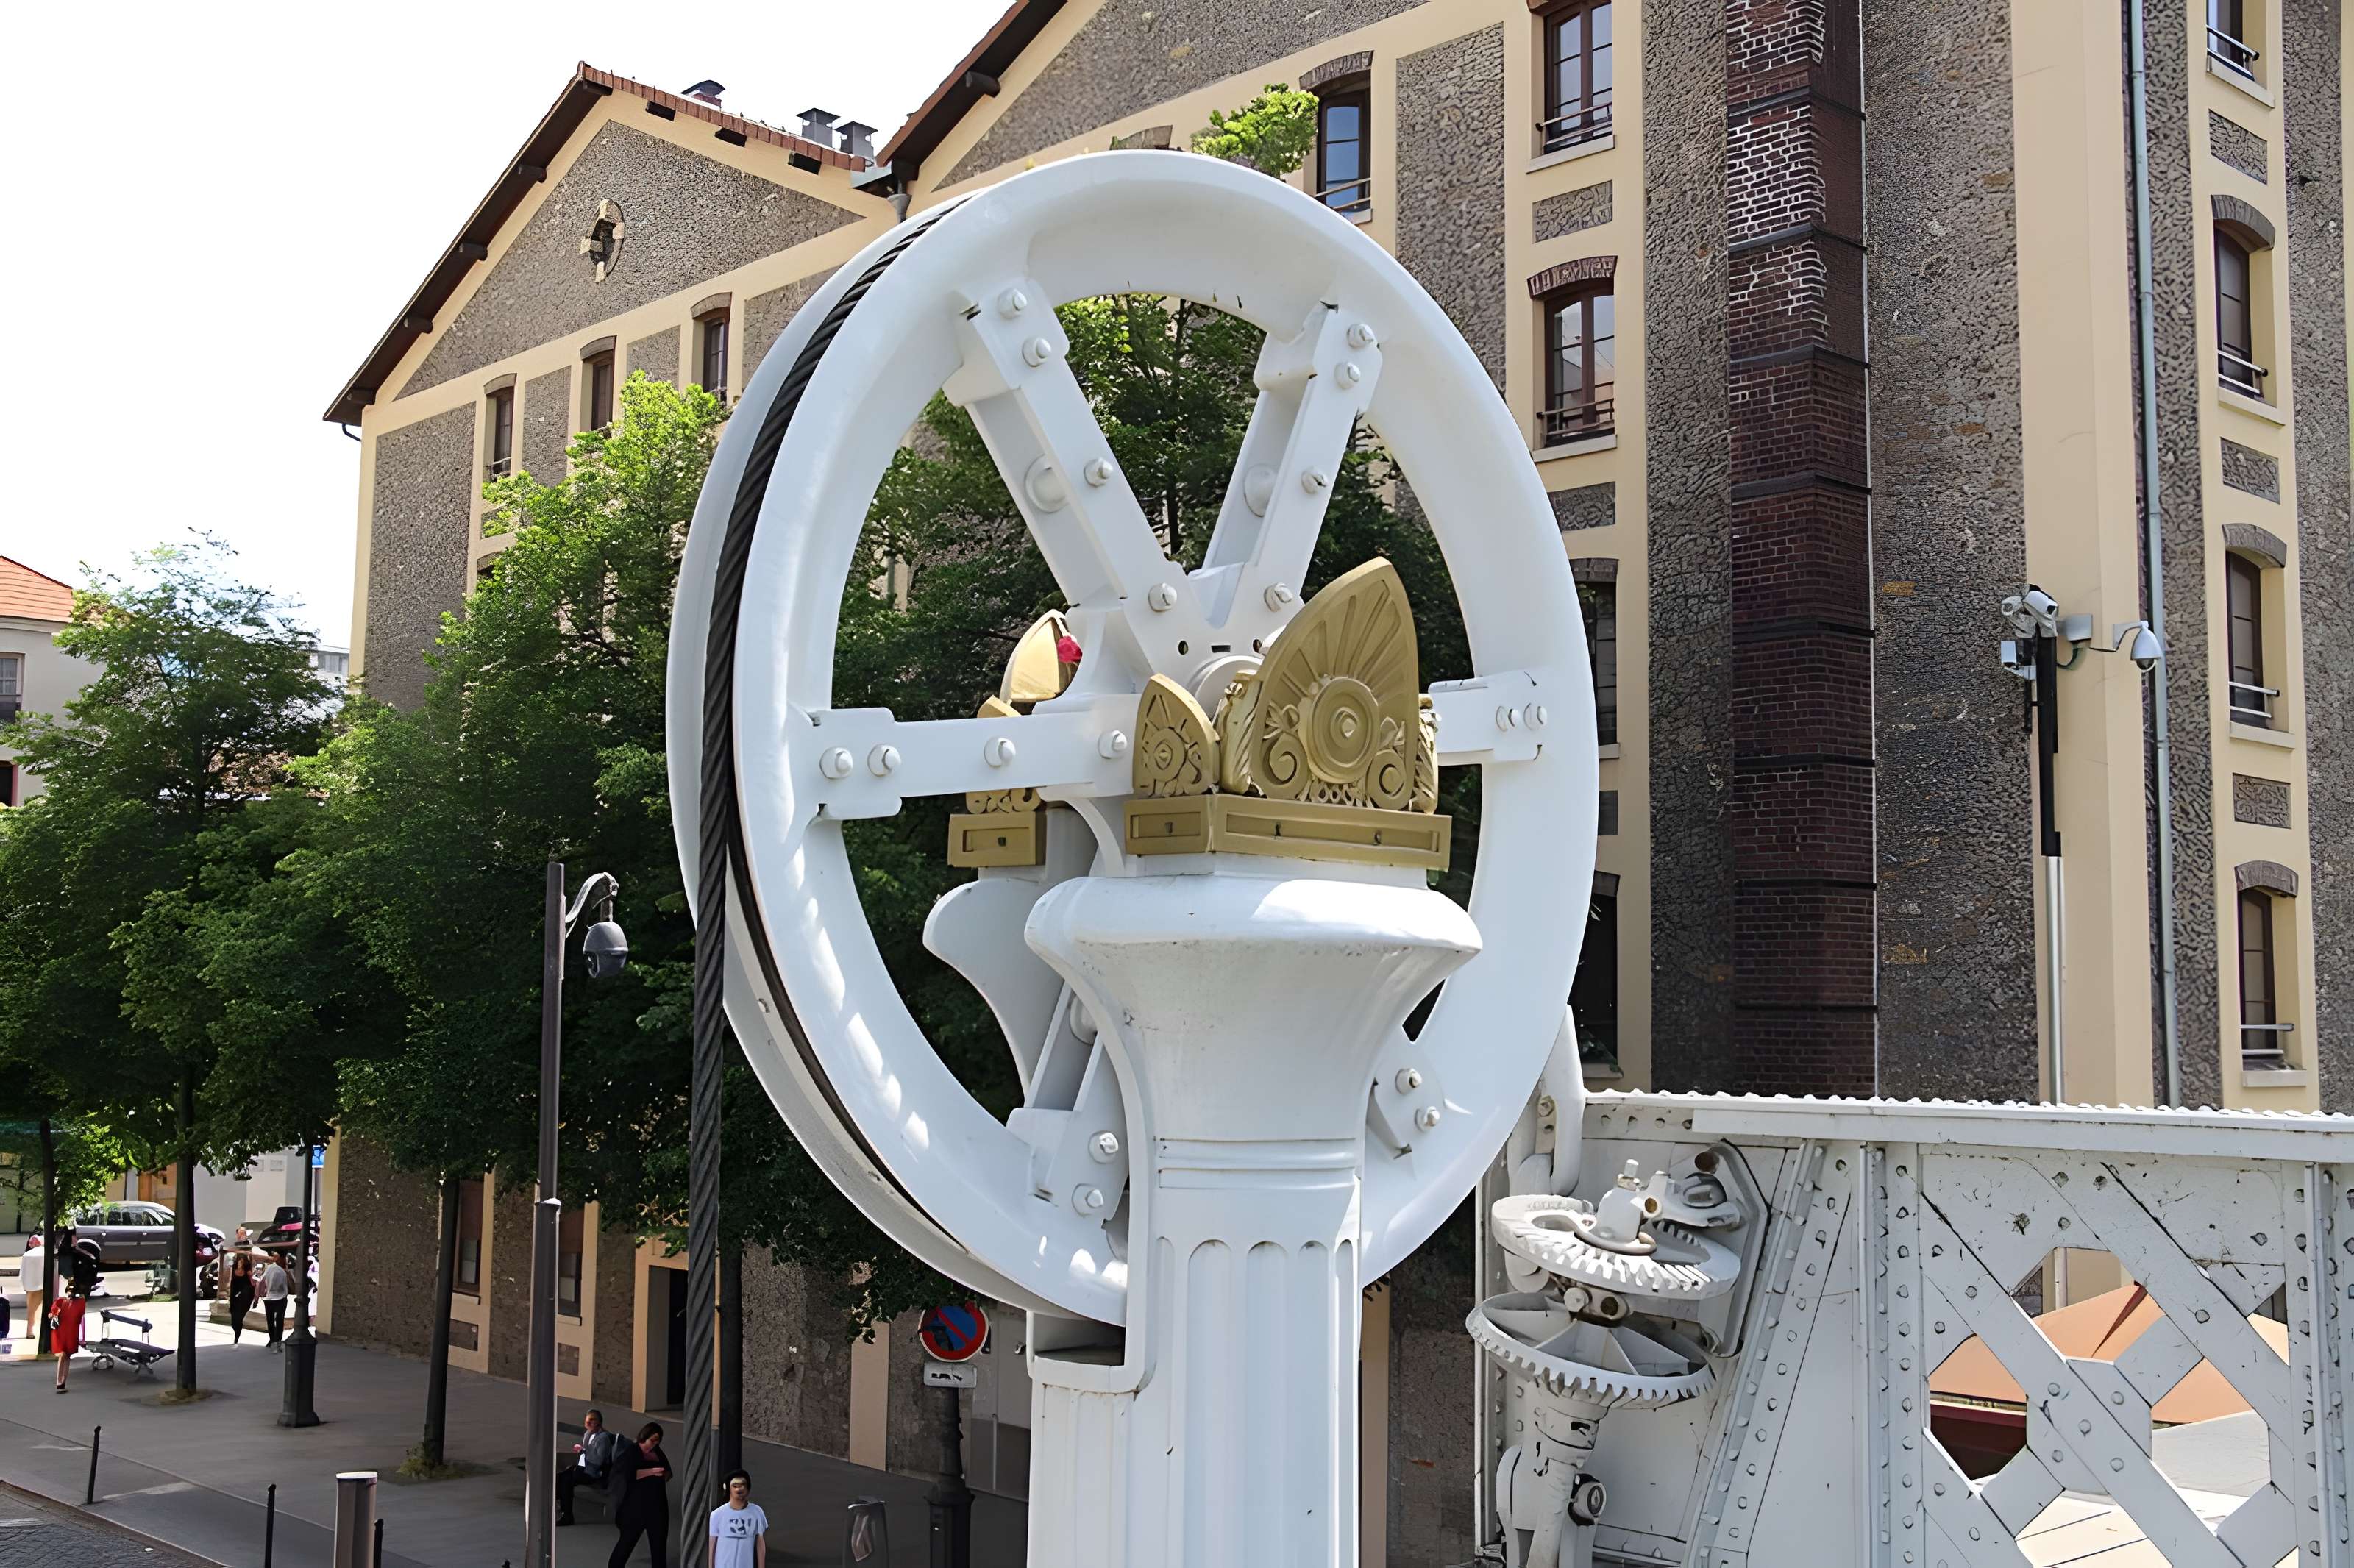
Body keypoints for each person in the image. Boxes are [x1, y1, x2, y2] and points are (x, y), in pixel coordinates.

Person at [606, 1422, 672, 1568]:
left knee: (659, 1546)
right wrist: (652, 1472)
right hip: (635, 1509)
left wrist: (664, 1474)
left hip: (657, 1507)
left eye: (658, 1441)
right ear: (644, 1437)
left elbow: (668, 1471)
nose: (654, 1444)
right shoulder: (632, 1453)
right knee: (627, 1542)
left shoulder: (657, 1453)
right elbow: (624, 1475)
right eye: (652, 1440)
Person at [558, 1407, 619, 1525]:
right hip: (584, 1467)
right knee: (561, 1476)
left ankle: (568, 1515)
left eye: (593, 1420)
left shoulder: (603, 1438)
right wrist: (581, 1454)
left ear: (599, 1422)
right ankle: (562, 1505)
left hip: (593, 1472)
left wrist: (584, 1455)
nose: (589, 1423)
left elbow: (599, 1460)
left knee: (567, 1480)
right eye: (587, 1420)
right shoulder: (588, 1434)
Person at [707, 1469, 767, 1568]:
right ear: (728, 1489)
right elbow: (712, 1545)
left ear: (748, 1488)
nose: (739, 1489)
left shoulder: (757, 1512)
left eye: (742, 1485)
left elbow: (760, 1543)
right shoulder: (717, 1515)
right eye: (735, 1486)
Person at [49, 1270, 87, 1394]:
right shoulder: (62, 1302)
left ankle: (62, 1381)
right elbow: (52, 1313)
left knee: (67, 1355)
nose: (71, 1293)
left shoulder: (77, 1303)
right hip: (65, 1332)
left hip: (69, 1331)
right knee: (63, 1355)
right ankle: (59, 1382)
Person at [226, 1254, 256, 1346]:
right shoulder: (234, 1269)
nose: (240, 1262)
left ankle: (237, 1337)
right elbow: (230, 1281)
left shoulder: (247, 1271)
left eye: (242, 1261)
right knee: (233, 1320)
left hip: (244, 1298)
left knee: (239, 1318)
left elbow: (252, 1283)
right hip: (234, 1297)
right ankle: (236, 1332)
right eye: (239, 1260)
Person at [260, 1255, 290, 1350]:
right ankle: (277, 1340)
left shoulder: (269, 1269)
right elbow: (286, 1285)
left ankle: (272, 1340)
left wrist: (259, 1295)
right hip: (281, 1298)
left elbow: (261, 1280)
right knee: (280, 1320)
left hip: (269, 1298)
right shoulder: (283, 1272)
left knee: (270, 1320)